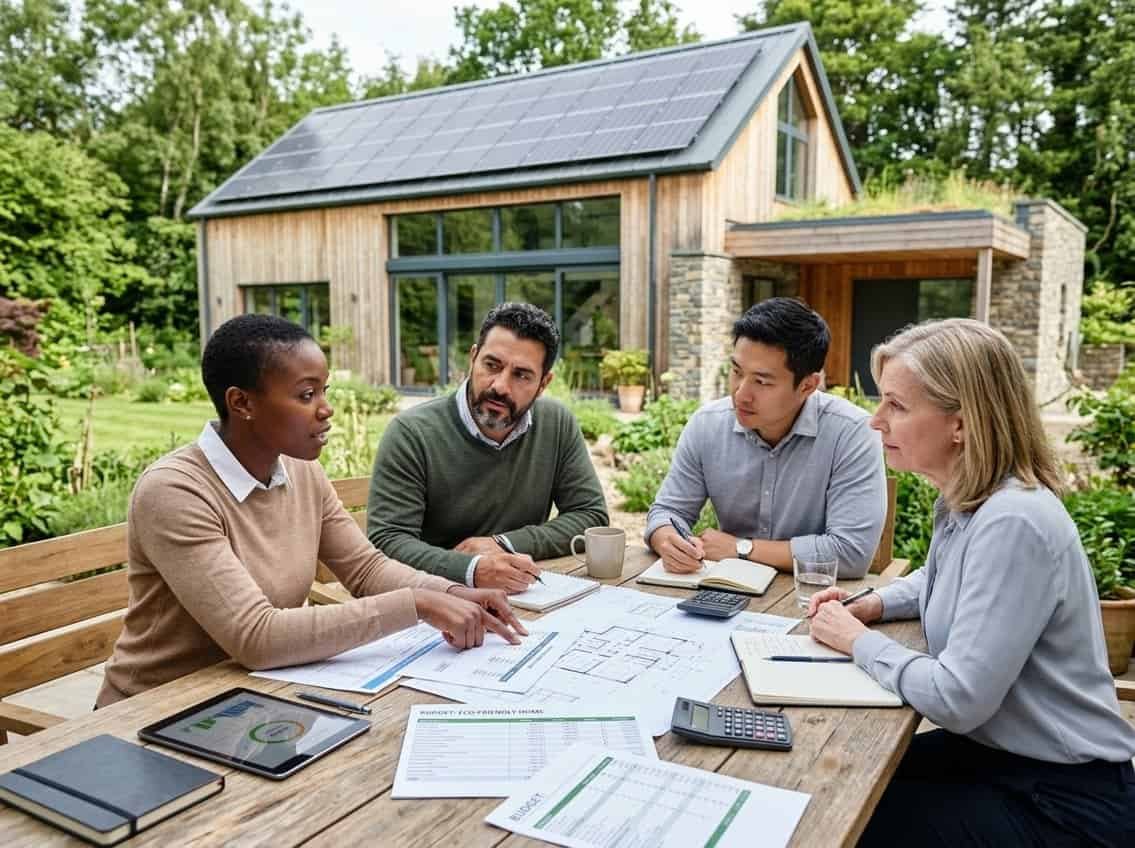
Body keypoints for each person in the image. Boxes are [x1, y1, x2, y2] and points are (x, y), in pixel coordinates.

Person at [808, 318, 1135, 846]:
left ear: (960, 424)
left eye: (897, 405)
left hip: (1063, 801)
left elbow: (958, 698)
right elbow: (937, 579)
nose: (875, 421)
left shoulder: (1013, 522)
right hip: (1002, 757)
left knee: (841, 818)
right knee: (836, 770)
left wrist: (857, 641)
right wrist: (870, 604)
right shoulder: (971, 501)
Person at [96, 315, 525, 708]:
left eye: (324, 390)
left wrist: (449, 593)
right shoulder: (175, 492)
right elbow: (256, 636)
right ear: (241, 403)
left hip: (251, 695)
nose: (326, 408)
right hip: (153, 712)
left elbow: (366, 569)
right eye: (306, 394)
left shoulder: (301, 471)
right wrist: (417, 604)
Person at [367, 302, 608, 593]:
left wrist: (503, 544)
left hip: (524, 596)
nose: (501, 386)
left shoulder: (556, 424)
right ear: (473, 358)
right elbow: (388, 541)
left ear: (543, 383)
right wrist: (472, 570)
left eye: (521, 375)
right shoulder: (411, 433)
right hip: (433, 602)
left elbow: (590, 515)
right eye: (491, 365)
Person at [645, 297, 886, 577]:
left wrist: (741, 549)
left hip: (811, 600)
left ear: (808, 386)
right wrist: (668, 541)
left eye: (762, 382)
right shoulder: (707, 424)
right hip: (724, 590)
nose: (741, 394)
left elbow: (851, 552)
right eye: (736, 372)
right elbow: (667, 511)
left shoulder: (851, 432)